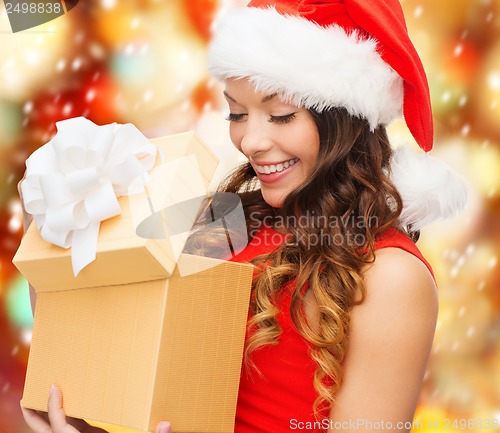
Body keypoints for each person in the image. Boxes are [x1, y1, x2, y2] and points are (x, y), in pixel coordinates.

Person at [21, 0, 467, 432]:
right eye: (237, 113)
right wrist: (58, 215)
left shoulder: (389, 276)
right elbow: (90, 316)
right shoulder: (225, 219)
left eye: (280, 115)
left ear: (346, 119)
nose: (250, 141)